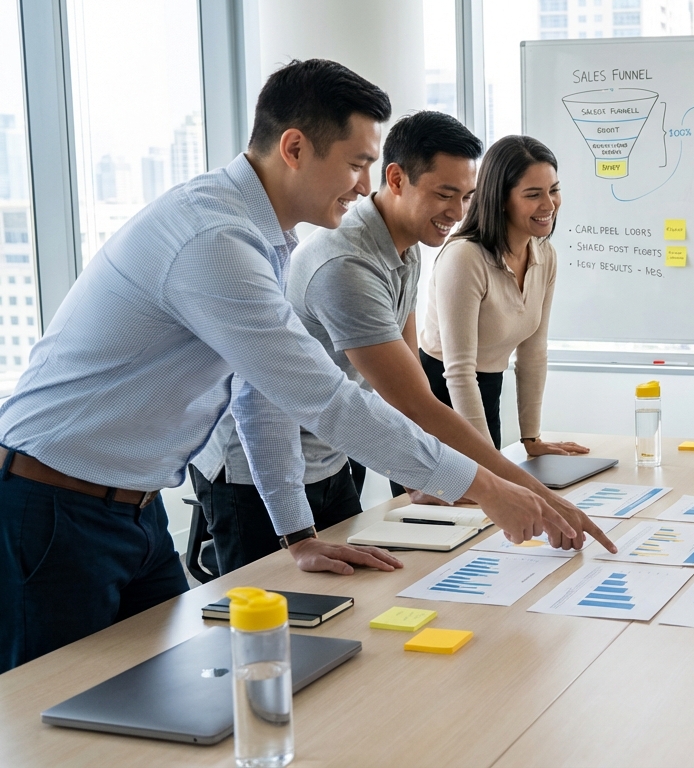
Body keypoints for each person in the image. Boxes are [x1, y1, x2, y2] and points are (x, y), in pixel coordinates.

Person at [0, 59, 594, 673]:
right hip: (50, 509)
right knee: (55, 717)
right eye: (358, 163)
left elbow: (262, 392)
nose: (366, 186)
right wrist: (491, 489)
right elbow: (330, 400)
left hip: (135, 508)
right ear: (294, 147)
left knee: (165, 704)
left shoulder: (268, 240)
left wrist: (297, 534)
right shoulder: (215, 240)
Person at [190, 111, 613, 574]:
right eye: (444, 194)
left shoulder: (405, 248)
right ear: (396, 179)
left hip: (329, 456)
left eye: (467, 196)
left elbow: (408, 379)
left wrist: (420, 473)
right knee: (278, 614)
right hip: (256, 471)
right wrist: (516, 491)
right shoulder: (345, 264)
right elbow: (413, 402)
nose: (457, 211)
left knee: (354, 597)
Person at [420, 135, 587, 457]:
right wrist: (487, 459)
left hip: (486, 389)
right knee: (463, 502)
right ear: (500, 199)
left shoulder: (544, 254)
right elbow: (458, 370)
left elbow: (533, 352)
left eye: (554, 190)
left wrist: (532, 439)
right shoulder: (465, 258)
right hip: (441, 395)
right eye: (533, 194)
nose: (549, 205)